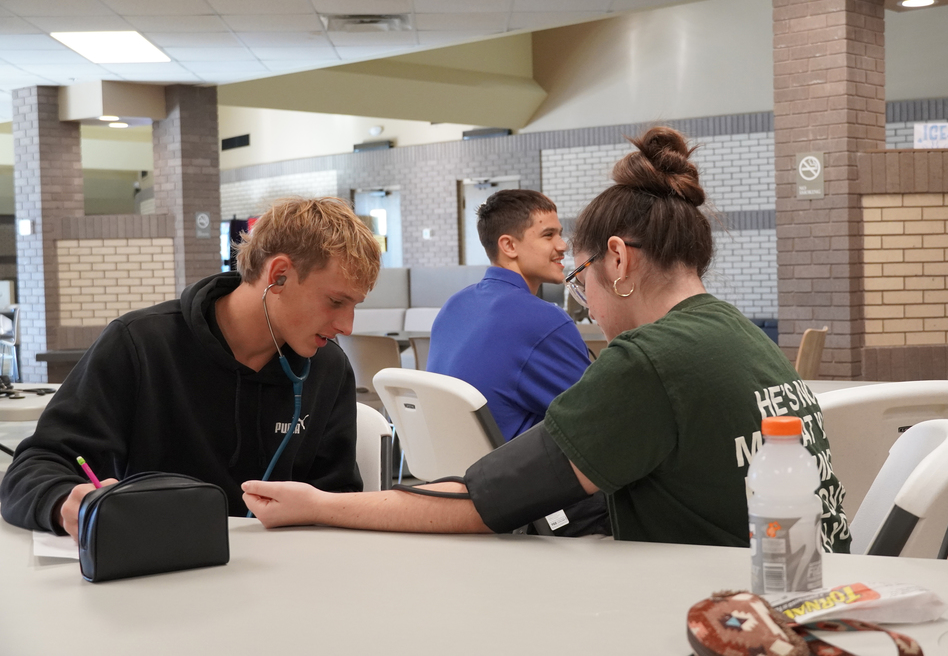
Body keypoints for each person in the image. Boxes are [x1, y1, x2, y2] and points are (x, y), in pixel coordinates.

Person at [242, 128, 851, 553]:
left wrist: (318, 505)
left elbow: (482, 502)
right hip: (804, 591)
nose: (583, 301)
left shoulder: (648, 362)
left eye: (579, 278)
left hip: (721, 609)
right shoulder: (744, 337)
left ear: (618, 260)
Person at [0, 197, 381, 541]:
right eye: (335, 301)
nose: (347, 326)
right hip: (162, 578)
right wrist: (68, 502)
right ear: (278, 275)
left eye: (354, 306)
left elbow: (338, 499)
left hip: (281, 584)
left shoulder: (327, 368)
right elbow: (35, 469)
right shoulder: (141, 345)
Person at [428, 189, 590, 442]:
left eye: (560, 233)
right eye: (548, 235)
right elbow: (599, 413)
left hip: (453, 471)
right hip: (517, 476)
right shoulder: (544, 320)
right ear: (509, 245)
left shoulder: (455, 304)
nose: (563, 246)